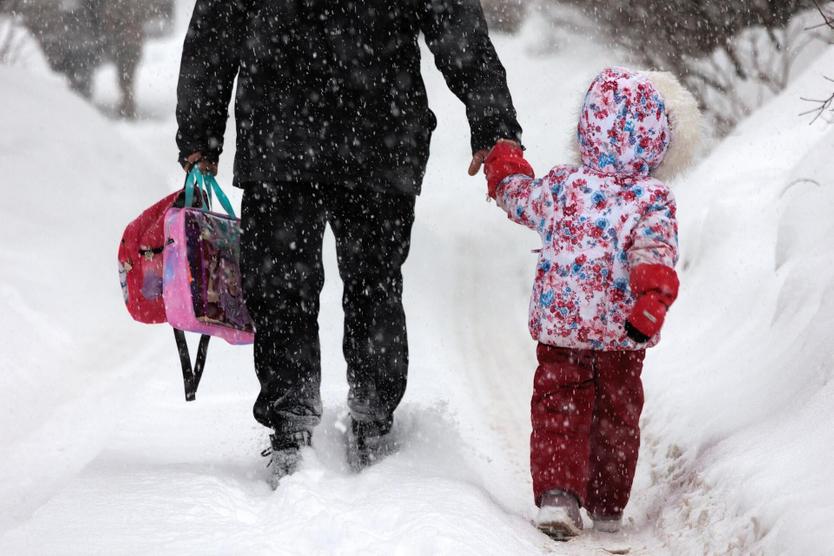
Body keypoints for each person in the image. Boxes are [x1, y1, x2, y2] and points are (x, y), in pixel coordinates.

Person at [175, 0, 522, 485]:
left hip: (336, 131)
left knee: (338, 282)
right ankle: (314, 422)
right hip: (338, 130)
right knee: (317, 285)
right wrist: (199, 129)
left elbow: (453, 20)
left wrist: (493, 121)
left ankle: (353, 417)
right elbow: (217, 26)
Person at [482, 67, 701, 539]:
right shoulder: (653, 198)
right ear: (659, 138)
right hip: (624, 332)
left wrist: (503, 166)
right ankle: (606, 502)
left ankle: (559, 497)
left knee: (560, 404)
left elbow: (521, 199)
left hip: (564, 326)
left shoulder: (564, 185)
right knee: (617, 413)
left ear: (586, 128)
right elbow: (654, 250)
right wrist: (651, 296)